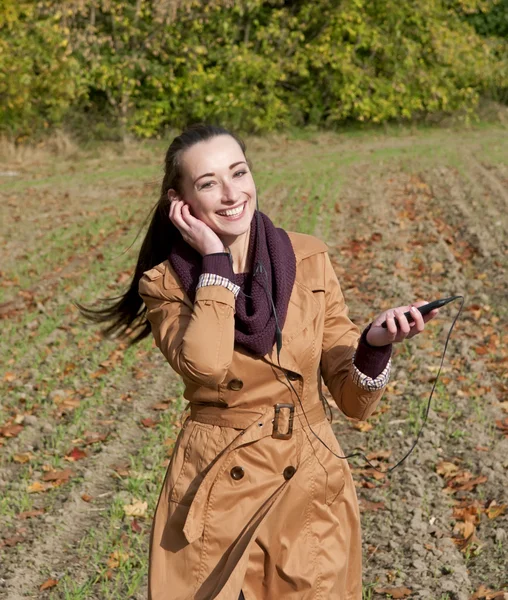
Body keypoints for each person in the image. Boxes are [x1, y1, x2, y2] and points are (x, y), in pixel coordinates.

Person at [78, 124, 438, 600]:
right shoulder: (164, 284)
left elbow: (353, 401)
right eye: (208, 183)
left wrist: (373, 344)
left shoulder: (308, 257)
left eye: (239, 173)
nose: (231, 194)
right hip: (218, 484)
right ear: (180, 201)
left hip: (309, 480)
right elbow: (206, 366)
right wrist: (215, 262)